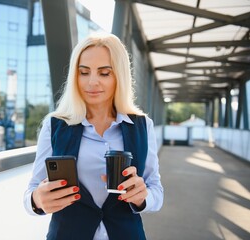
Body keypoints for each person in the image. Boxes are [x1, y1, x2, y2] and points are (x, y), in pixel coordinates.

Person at [23, 33, 163, 240]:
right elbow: (32, 192)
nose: (92, 82)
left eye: (104, 73)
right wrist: (37, 200)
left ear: (119, 76)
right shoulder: (55, 126)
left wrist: (143, 197)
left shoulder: (142, 126)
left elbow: (156, 192)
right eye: (84, 72)